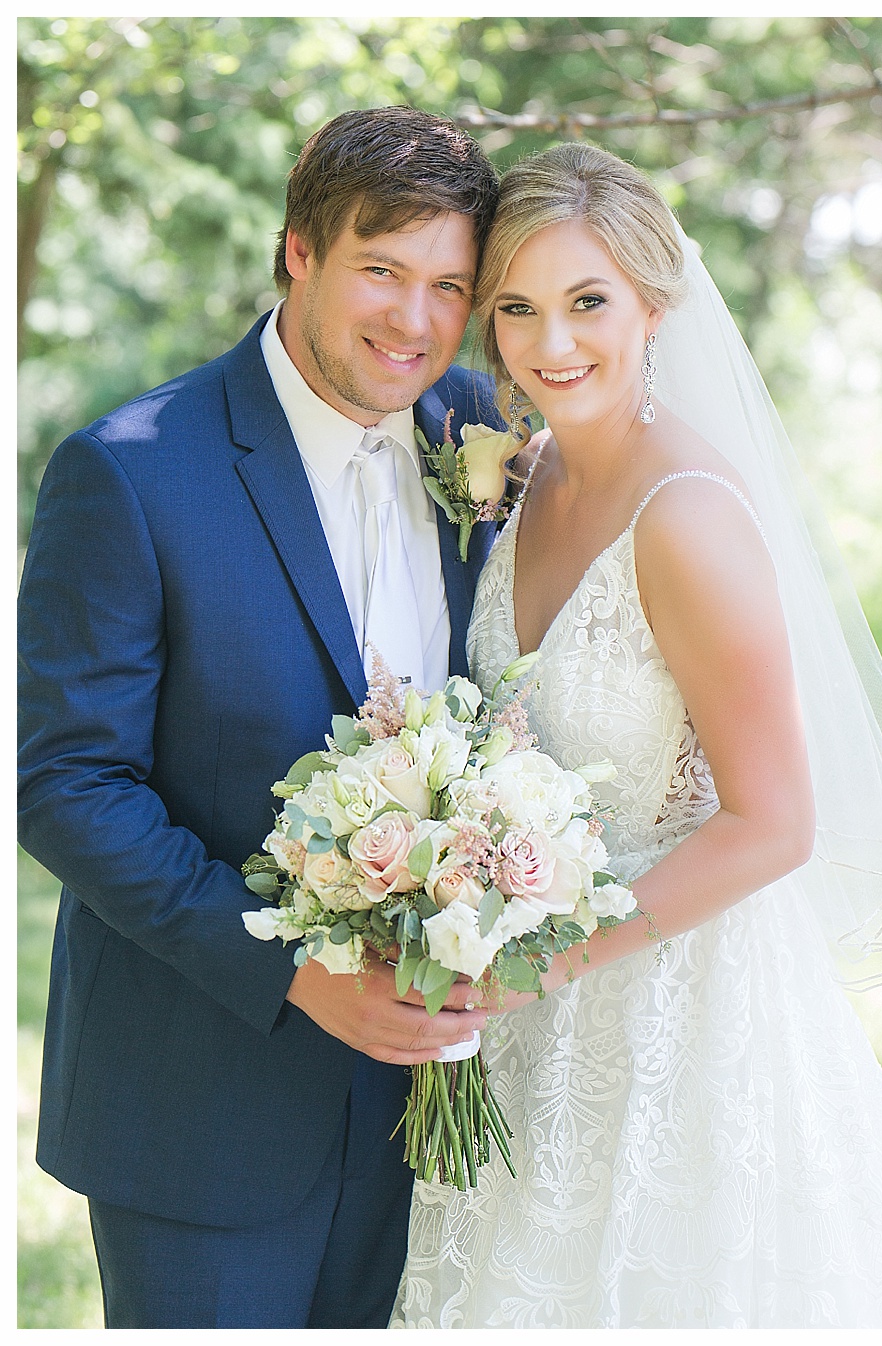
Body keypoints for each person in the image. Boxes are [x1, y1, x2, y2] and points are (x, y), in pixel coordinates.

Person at [389, 141, 882, 1328]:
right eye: (516, 308)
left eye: (586, 302)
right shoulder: (530, 475)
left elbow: (776, 824)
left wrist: (546, 958)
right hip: (522, 1005)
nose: (550, 343)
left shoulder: (691, 516)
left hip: (679, 1010)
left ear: (655, 305)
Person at [18, 106, 500, 1327]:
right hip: (201, 1113)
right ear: (300, 251)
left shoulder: (484, 440)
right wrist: (290, 969)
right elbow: (67, 782)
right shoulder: (129, 469)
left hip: (439, 1128)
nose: (414, 320)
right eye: (381, 271)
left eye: (449, 284)